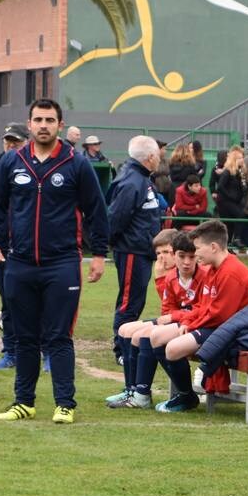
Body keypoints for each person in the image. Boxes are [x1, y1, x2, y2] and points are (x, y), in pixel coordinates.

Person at [0, 98, 110, 424]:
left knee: (58, 337)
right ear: (29, 123)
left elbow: (97, 210)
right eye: (38, 119)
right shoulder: (12, 162)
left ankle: (64, 404)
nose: (43, 125)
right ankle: (23, 402)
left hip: (62, 263)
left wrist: (99, 254)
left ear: (60, 125)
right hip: (19, 263)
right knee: (24, 337)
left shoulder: (76, 163)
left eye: (49, 120)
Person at [156, 220, 248, 412]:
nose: (195, 254)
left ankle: (187, 396)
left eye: (197, 248)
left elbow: (221, 315)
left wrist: (191, 324)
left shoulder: (231, 273)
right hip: (216, 326)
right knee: (157, 338)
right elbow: (204, 307)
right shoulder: (213, 269)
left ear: (213, 247)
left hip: (231, 332)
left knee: (172, 348)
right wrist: (188, 320)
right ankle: (183, 395)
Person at [107, 228, 193, 409]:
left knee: (143, 335)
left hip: (187, 321)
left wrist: (160, 279)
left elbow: (177, 309)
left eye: (167, 252)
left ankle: (142, 393)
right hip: (176, 318)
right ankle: (131, 389)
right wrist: (160, 278)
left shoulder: (186, 269)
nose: (162, 258)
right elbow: (167, 307)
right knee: (124, 329)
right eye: (159, 253)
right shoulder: (170, 273)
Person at [106, 135, 166, 368]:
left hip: (140, 250)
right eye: (159, 156)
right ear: (150, 157)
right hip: (132, 250)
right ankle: (121, 348)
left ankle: (126, 344)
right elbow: (116, 218)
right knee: (129, 301)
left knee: (135, 300)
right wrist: (117, 243)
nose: (161, 159)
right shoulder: (132, 181)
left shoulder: (142, 179)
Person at [0, 123, 29, 369]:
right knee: (8, 301)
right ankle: (10, 352)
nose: (11, 145)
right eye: (8, 141)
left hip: (30, 247)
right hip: (3, 247)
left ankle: (46, 353)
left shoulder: (35, 169)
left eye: (17, 141)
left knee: (39, 303)